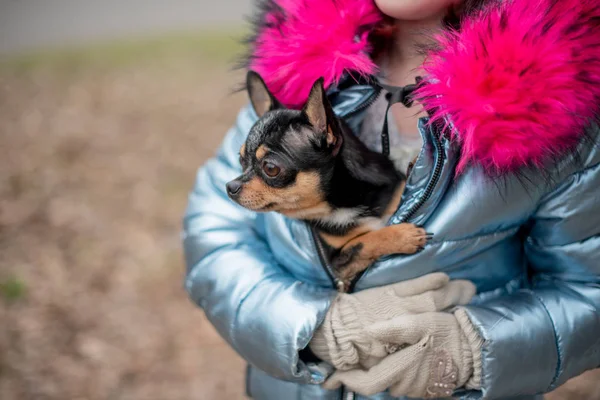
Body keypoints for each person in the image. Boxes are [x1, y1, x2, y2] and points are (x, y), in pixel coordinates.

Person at [183, 0, 600, 398]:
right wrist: (305, 324)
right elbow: (213, 228)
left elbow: (587, 291)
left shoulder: (560, 107)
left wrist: (475, 350)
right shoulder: (290, 71)